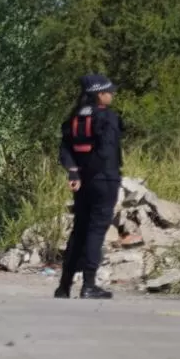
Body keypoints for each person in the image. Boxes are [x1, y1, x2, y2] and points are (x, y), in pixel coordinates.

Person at [54, 74, 123, 300]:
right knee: (95, 231)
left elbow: (65, 150)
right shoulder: (107, 118)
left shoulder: (74, 118)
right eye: (108, 91)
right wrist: (95, 174)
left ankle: (64, 286)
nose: (112, 95)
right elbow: (106, 153)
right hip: (103, 180)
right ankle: (89, 285)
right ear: (99, 94)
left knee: (79, 231)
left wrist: (75, 172)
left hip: (81, 182)